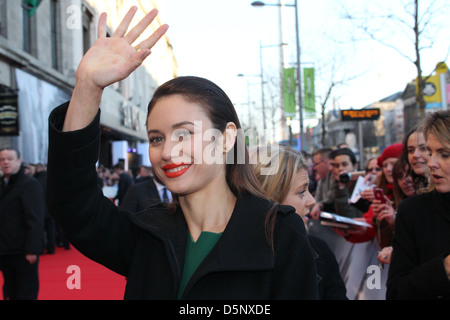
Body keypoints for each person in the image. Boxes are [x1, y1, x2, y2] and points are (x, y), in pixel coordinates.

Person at [46, 7, 318, 300]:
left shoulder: (278, 231)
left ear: (226, 138)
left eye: (184, 134)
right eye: (156, 138)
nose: (167, 151)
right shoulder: (148, 233)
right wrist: (87, 86)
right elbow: (73, 203)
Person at [251, 145, 347, 300]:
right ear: (270, 196)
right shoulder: (232, 259)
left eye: (309, 190)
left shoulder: (320, 253)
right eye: (302, 191)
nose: (312, 201)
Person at [387, 110, 450, 299]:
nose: (432, 163)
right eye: (430, 153)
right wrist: (444, 268)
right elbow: (396, 292)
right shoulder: (413, 212)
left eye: (444, 154)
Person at [0, 146, 45, 299]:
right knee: (10, 292)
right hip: (5, 251)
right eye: (2, 159)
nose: (6, 162)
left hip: (24, 252)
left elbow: (36, 219)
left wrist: (32, 250)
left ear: (19, 161)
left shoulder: (29, 184)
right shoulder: (2, 185)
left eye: (10, 159)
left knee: (25, 293)